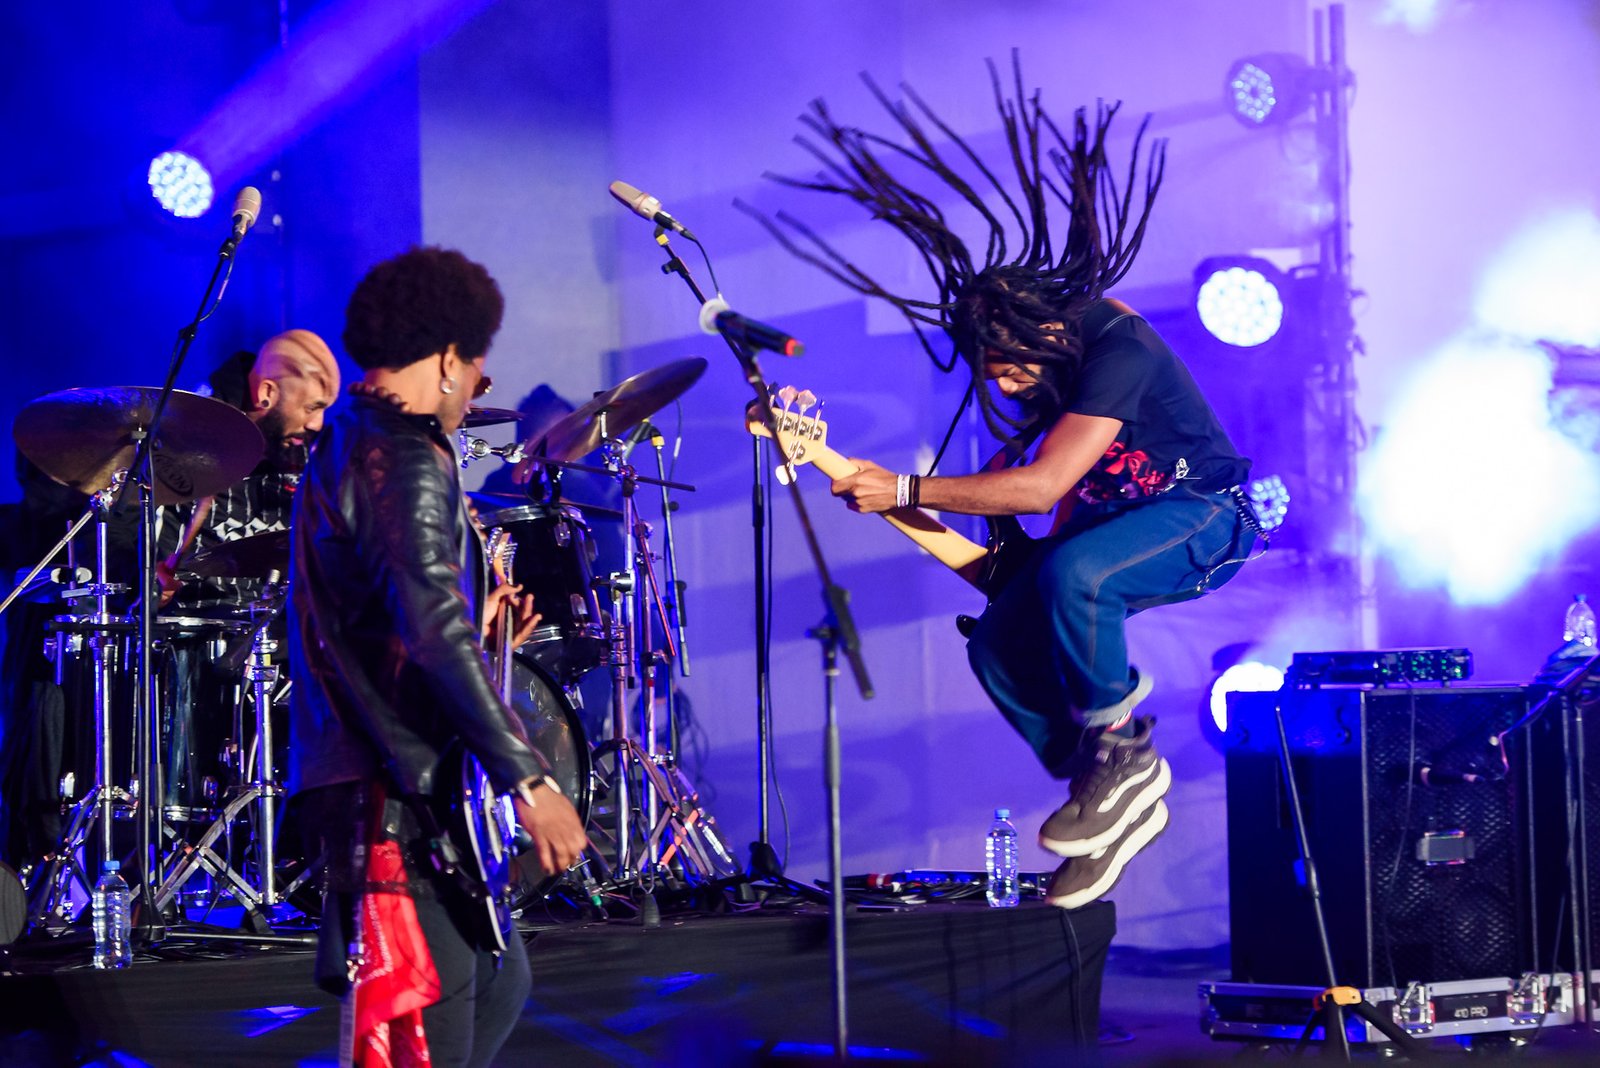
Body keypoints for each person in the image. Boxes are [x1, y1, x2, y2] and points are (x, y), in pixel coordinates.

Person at [752, 57, 1261, 910]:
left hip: (1204, 518)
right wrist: (841, 468)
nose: (1005, 387)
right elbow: (991, 568)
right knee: (999, 635)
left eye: (1014, 367)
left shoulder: (1117, 347)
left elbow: (1037, 489)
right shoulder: (1039, 423)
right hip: (1105, 547)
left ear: (1047, 328)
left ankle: (1124, 758)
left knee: (1073, 573)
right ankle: (1110, 799)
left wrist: (908, 488)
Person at [287, 246, 587, 1067]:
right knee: (431, 1023)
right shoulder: (406, 459)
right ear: (452, 359)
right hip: (396, 796)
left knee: (499, 979)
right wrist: (532, 782)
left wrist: (479, 623)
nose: (473, 391)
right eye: (479, 375)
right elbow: (426, 632)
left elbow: (390, 614)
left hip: (380, 779)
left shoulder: (350, 438)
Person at [155, 328, 341, 609]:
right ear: (267, 392)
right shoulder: (188, 440)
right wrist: (148, 582)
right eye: (311, 408)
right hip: (198, 633)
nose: (317, 423)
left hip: (285, 633)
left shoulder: (312, 452)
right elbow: (131, 545)